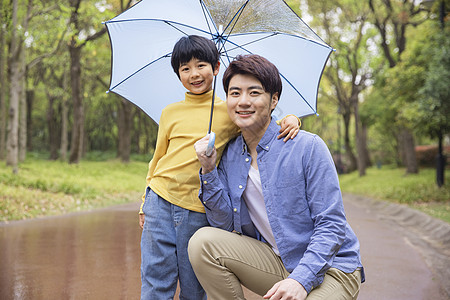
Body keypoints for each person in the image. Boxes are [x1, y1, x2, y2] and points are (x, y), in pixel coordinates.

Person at [139, 36, 301, 300]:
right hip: (160, 200)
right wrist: (145, 200)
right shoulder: (169, 112)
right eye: (185, 68)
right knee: (156, 277)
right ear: (178, 73)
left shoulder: (229, 109)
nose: (194, 74)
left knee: (194, 285)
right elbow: (158, 158)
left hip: (197, 209)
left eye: (201, 65)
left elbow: (267, 121)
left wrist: (291, 119)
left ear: (215, 68)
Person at [191, 54, 364, 300]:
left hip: (331, 268)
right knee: (202, 242)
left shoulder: (307, 147)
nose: (243, 101)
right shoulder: (229, 155)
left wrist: (300, 280)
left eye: (254, 93)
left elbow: (332, 225)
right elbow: (225, 225)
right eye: (235, 93)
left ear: (274, 100)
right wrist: (208, 170)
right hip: (276, 262)